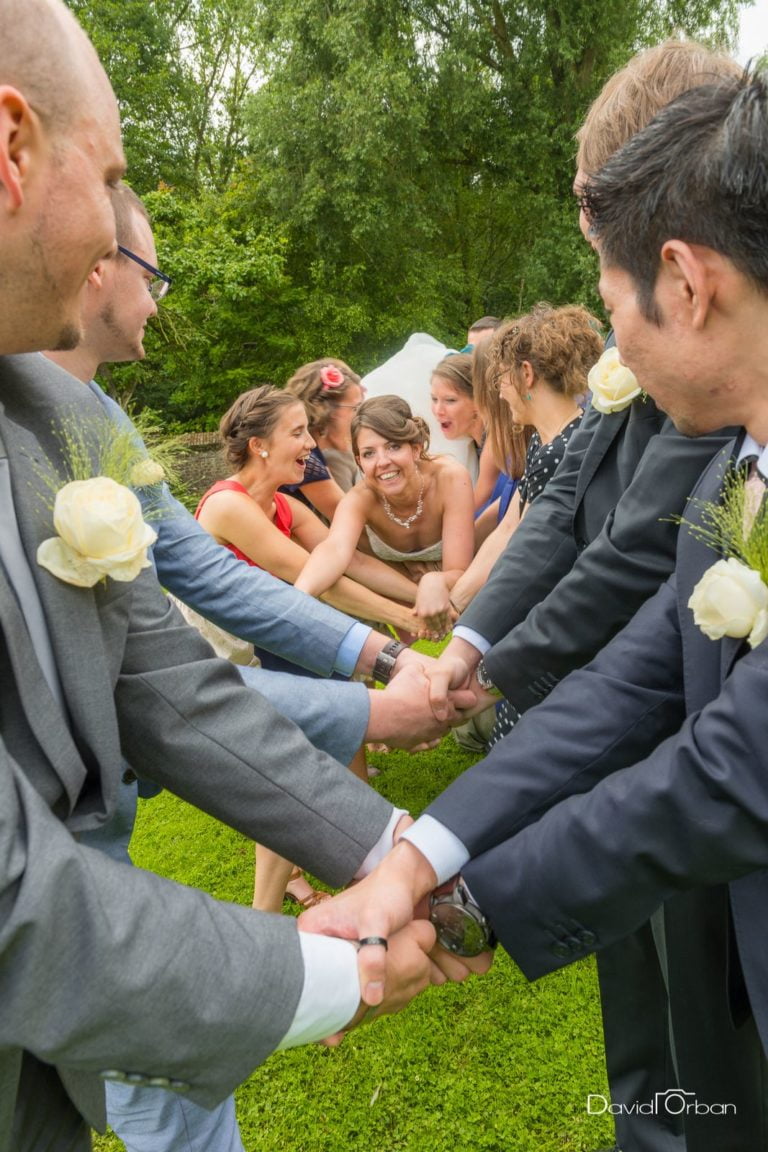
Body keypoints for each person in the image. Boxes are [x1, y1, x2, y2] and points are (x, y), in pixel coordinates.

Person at [0, 4, 483, 1148]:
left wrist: (393, 852)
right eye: (107, 171)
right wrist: (316, 973)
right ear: (12, 152)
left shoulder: (53, 412)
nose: (135, 267)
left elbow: (163, 684)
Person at [312, 67, 768, 1152]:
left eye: (612, 306)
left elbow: (737, 763)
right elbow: (646, 668)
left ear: (685, 283)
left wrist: (470, 905)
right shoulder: (735, 471)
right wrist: (426, 857)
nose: (617, 343)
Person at [195, 384, 428, 911]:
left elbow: (344, 559)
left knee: (341, 733)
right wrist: (403, 615)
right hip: (239, 658)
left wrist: (432, 595)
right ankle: (278, 905)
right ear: (259, 445)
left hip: (279, 636)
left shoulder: (280, 502)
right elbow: (306, 574)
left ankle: (358, 863)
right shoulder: (229, 504)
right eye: (298, 433)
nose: (311, 445)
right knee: (295, 771)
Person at [296, 395, 475, 638]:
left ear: (415, 448)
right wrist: (298, 597)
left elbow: (460, 571)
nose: (382, 462)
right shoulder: (360, 499)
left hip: (461, 581)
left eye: (393, 447)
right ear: (359, 461)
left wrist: (434, 581)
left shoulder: (449, 477)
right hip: (397, 588)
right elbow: (334, 549)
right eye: (369, 454)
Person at [429, 352, 500, 510]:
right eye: (434, 399)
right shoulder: (475, 442)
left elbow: (474, 507)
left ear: (478, 400)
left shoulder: (494, 442)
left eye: (450, 400)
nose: (438, 410)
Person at [283, 357, 363, 493]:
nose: (361, 414)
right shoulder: (306, 458)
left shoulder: (331, 448)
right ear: (327, 409)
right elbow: (342, 510)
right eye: (355, 408)